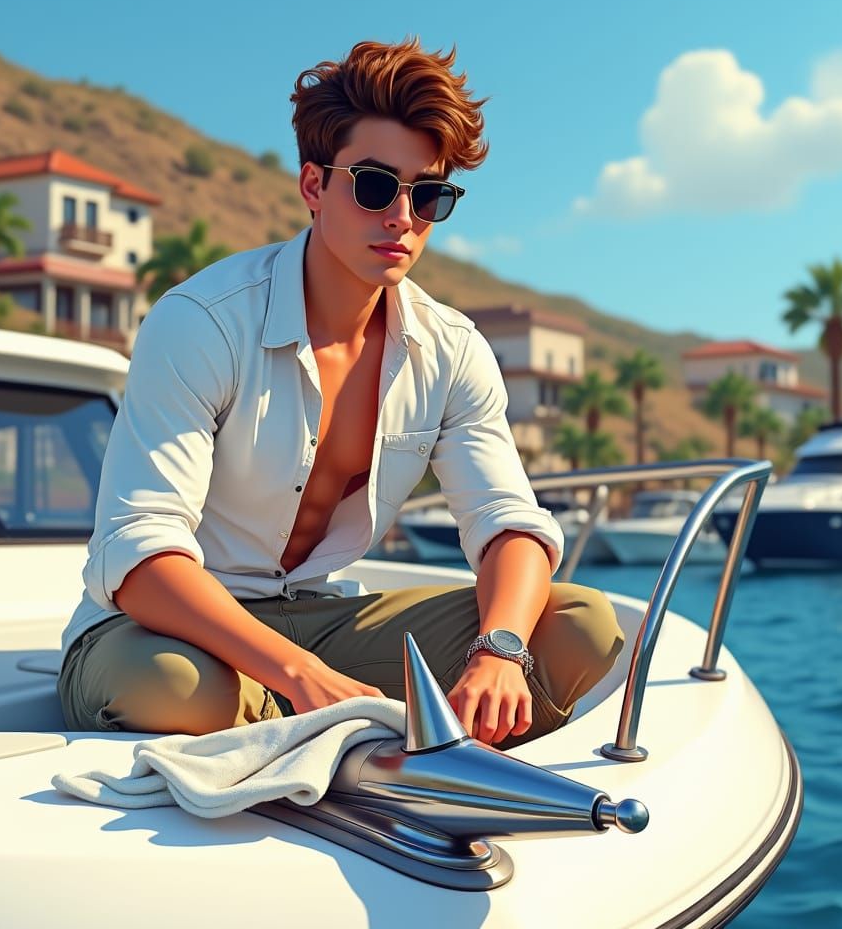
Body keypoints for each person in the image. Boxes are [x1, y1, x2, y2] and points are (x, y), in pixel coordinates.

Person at [58, 39, 624, 749]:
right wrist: (298, 674)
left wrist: (500, 651)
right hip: (166, 630)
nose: (402, 217)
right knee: (174, 687)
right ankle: (359, 729)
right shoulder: (203, 322)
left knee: (579, 626)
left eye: (430, 195)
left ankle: (319, 728)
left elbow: (507, 523)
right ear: (314, 187)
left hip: (318, 621)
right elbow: (138, 555)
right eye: (376, 186)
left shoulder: (451, 350)